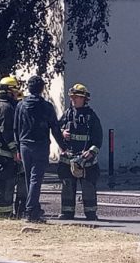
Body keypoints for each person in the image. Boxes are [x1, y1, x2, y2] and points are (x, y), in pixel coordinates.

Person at [14, 75, 66, 223]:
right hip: (41, 145)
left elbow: (15, 128)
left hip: (24, 145)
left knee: (29, 178)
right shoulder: (47, 106)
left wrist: (17, 148)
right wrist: (63, 146)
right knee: (36, 179)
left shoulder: (20, 106)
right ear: (42, 89)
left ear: (28, 89)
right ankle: (31, 210)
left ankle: (34, 209)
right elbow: (55, 128)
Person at [57, 83, 102, 221]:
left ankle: (90, 214)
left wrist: (92, 152)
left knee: (88, 187)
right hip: (68, 159)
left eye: (76, 97)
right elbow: (56, 129)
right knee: (67, 186)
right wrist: (62, 133)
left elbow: (98, 137)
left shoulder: (91, 117)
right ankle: (67, 213)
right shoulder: (67, 114)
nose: (73, 99)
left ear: (84, 99)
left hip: (86, 159)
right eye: (72, 97)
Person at [0, 76, 20, 218]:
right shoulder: (6, 108)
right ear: (8, 92)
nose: (16, 94)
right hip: (3, 156)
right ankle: (2, 215)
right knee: (3, 186)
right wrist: (14, 151)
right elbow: (7, 132)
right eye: (15, 91)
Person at [13, 89, 28, 219]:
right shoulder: (21, 111)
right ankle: (20, 208)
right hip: (19, 152)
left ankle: (18, 209)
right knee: (22, 183)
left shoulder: (15, 110)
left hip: (16, 152)